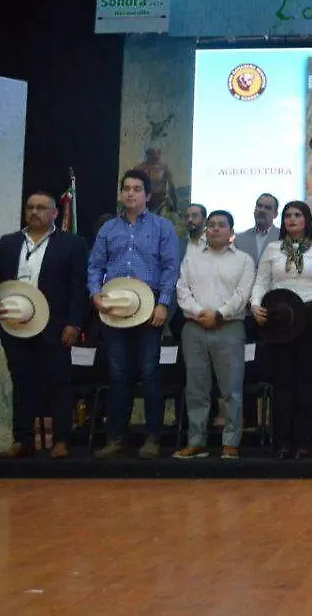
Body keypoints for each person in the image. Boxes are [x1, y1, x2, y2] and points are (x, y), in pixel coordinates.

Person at [0, 192, 88, 459]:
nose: (34, 212)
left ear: (55, 213)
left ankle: (61, 441)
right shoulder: (9, 242)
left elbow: (78, 288)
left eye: (41, 207)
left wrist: (74, 323)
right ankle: (22, 440)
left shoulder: (72, 244)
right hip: (14, 324)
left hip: (54, 325)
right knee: (22, 381)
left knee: (58, 382)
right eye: (30, 207)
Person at [89, 169, 180, 459]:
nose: (130, 193)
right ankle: (116, 438)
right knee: (118, 374)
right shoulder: (108, 230)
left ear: (147, 195)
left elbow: (170, 268)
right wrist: (95, 294)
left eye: (137, 188)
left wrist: (164, 303)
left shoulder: (163, 227)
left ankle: (153, 437)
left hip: (150, 308)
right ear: (121, 193)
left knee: (150, 372)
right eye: (126, 188)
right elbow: (95, 267)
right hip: (115, 309)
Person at [251, 201, 312, 459]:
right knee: (283, 380)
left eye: (297, 215)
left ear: (307, 219)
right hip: (280, 318)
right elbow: (261, 282)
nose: (291, 219)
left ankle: (304, 443)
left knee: (306, 381)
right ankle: (283, 443)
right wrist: (255, 305)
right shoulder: (273, 248)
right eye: (287, 215)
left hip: (311, 316)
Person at [173, 210, 256, 460]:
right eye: (211, 225)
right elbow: (182, 291)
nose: (215, 229)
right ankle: (197, 441)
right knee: (196, 389)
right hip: (194, 328)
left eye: (222, 225)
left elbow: (243, 295)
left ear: (232, 232)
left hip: (229, 328)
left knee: (231, 389)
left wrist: (219, 315)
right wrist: (201, 313)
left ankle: (230, 442)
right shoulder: (192, 258)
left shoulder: (243, 260)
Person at [170, 203, 208, 342]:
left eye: (195, 216)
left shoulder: (213, 245)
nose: (190, 220)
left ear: (205, 219)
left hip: (206, 306)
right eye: (187, 217)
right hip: (180, 308)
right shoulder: (177, 245)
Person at [235, 193, 281, 266]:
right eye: (259, 206)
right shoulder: (239, 239)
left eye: (267, 208)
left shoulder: (282, 237)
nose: (262, 210)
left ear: (275, 214)